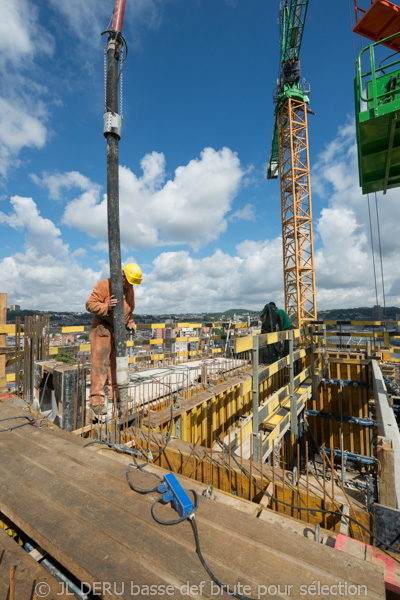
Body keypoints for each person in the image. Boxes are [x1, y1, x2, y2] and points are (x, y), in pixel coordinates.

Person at [86, 263, 142, 416]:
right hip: (102, 327)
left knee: (115, 363)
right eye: (129, 282)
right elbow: (90, 305)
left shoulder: (129, 289)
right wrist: (106, 306)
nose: (130, 286)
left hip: (118, 329)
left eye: (132, 284)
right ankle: (96, 400)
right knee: (100, 364)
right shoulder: (104, 285)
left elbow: (130, 308)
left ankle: (115, 395)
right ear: (122, 276)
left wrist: (130, 322)